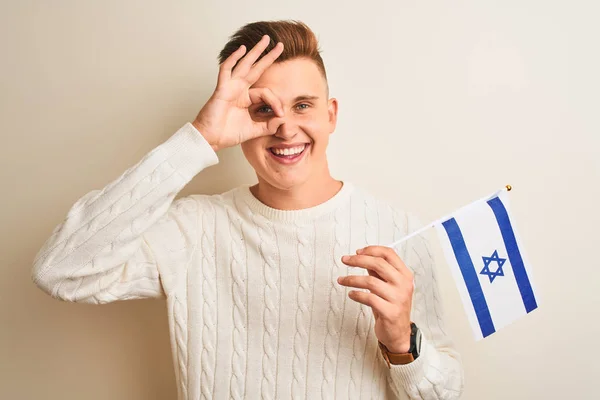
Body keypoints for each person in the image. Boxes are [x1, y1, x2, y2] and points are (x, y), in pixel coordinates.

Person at [32, 20, 464, 400]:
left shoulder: (399, 231)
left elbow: (443, 397)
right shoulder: (194, 228)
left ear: (330, 115)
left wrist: (402, 344)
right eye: (263, 109)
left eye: (302, 105)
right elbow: (61, 269)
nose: (284, 127)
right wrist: (200, 138)